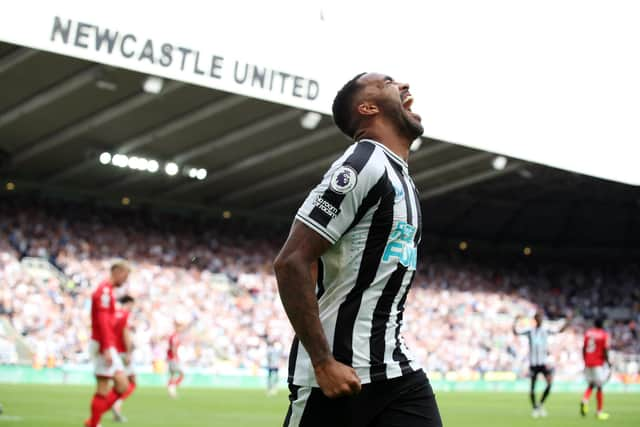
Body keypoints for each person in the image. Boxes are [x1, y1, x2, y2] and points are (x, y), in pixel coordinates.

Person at [274, 72, 442, 427]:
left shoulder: (401, 177)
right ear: (368, 107)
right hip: (339, 376)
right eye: (387, 83)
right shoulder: (364, 163)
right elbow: (291, 261)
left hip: (395, 371)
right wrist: (323, 363)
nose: (404, 85)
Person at [85, 261, 134, 427]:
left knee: (115, 386)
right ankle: (93, 423)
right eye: (125, 276)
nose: (125, 281)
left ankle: (93, 422)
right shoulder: (104, 291)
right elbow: (103, 321)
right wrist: (106, 347)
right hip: (103, 345)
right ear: (118, 272)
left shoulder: (108, 291)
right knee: (113, 385)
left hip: (105, 344)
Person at [513, 311, 571, 418]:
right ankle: (535, 408)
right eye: (538, 318)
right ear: (535, 320)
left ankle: (540, 404)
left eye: (541, 318)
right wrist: (515, 321)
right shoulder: (530, 331)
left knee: (549, 383)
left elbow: (559, 331)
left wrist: (567, 322)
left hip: (543, 363)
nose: (540, 320)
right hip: (533, 364)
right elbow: (516, 332)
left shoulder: (545, 331)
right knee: (532, 387)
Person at [111, 295, 136, 423]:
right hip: (122, 353)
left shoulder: (114, 314)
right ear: (129, 303)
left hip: (113, 352)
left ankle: (116, 411)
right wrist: (128, 353)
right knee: (132, 382)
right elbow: (126, 334)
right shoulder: (125, 315)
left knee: (118, 382)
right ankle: (116, 403)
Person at [580, 317, 611, 420]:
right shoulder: (603, 334)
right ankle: (599, 412)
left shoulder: (588, 333)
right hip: (598, 363)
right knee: (599, 387)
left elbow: (584, 348)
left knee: (591, 384)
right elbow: (605, 349)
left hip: (588, 362)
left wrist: (585, 360)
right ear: (602, 324)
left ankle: (585, 399)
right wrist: (608, 362)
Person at [167, 317, 187, 398]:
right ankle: (172, 388)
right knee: (181, 374)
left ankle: (172, 390)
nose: (181, 329)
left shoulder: (174, 336)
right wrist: (175, 357)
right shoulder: (174, 336)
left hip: (171, 358)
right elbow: (173, 347)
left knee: (173, 375)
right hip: (173, 358)